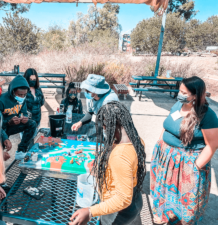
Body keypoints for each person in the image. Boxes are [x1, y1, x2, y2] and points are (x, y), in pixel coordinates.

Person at [151, 76, 218, 225]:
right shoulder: (177, 106)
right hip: (167, 157)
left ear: (196, 95)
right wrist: (160, 142)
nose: (179, 94)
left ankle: (181, 220)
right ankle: (166, 214)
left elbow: (212, 145)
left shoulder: (208, 116)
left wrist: (195, 167)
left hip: (187, 162)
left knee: (185, 196)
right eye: (180, 90)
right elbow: (167, 124)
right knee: (165, 190)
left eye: (184, 92)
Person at [69, 102, 146, 225]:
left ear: (110, 126)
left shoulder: (120, 155)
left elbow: (123, 198)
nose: (103, 130)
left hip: (118, 211)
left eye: (103, 127)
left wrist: (90, 212)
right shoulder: (135, 139)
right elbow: (126, 172)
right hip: (135, 198)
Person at [0, 75, 37, 159]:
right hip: (3, 128)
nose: (22, 97)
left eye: (24, 95)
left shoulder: (22, 100)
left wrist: (24, 117)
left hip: (15, 124)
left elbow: (23, 112)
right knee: (1, 150)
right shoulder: (1, 100)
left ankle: (21, 150)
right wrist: (8, 121)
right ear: (12, 91)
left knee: (32, 124)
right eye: (20, 94)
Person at [71, 74, 119, 139]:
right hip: (102, 124)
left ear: (95, 91)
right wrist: (80, 122)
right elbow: (90, 112)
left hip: (113, 128)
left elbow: (112, 123)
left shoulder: (109, 100)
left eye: (87, 90)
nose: (85, 92)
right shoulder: (90, 96)